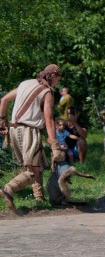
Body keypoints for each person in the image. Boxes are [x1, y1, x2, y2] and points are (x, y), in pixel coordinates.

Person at [0, 64, 64, 213]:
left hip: (14, 129)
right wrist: (54, 145)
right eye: (58, 79)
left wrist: (2, 124)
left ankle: (39, 199)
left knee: (37, 164)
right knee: (33, 171)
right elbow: (49, 119)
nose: (57, 83)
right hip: (28, 130)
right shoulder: (47, 92)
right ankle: (8, 189)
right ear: (53, 76)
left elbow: (3, 100)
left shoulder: (25, 83)